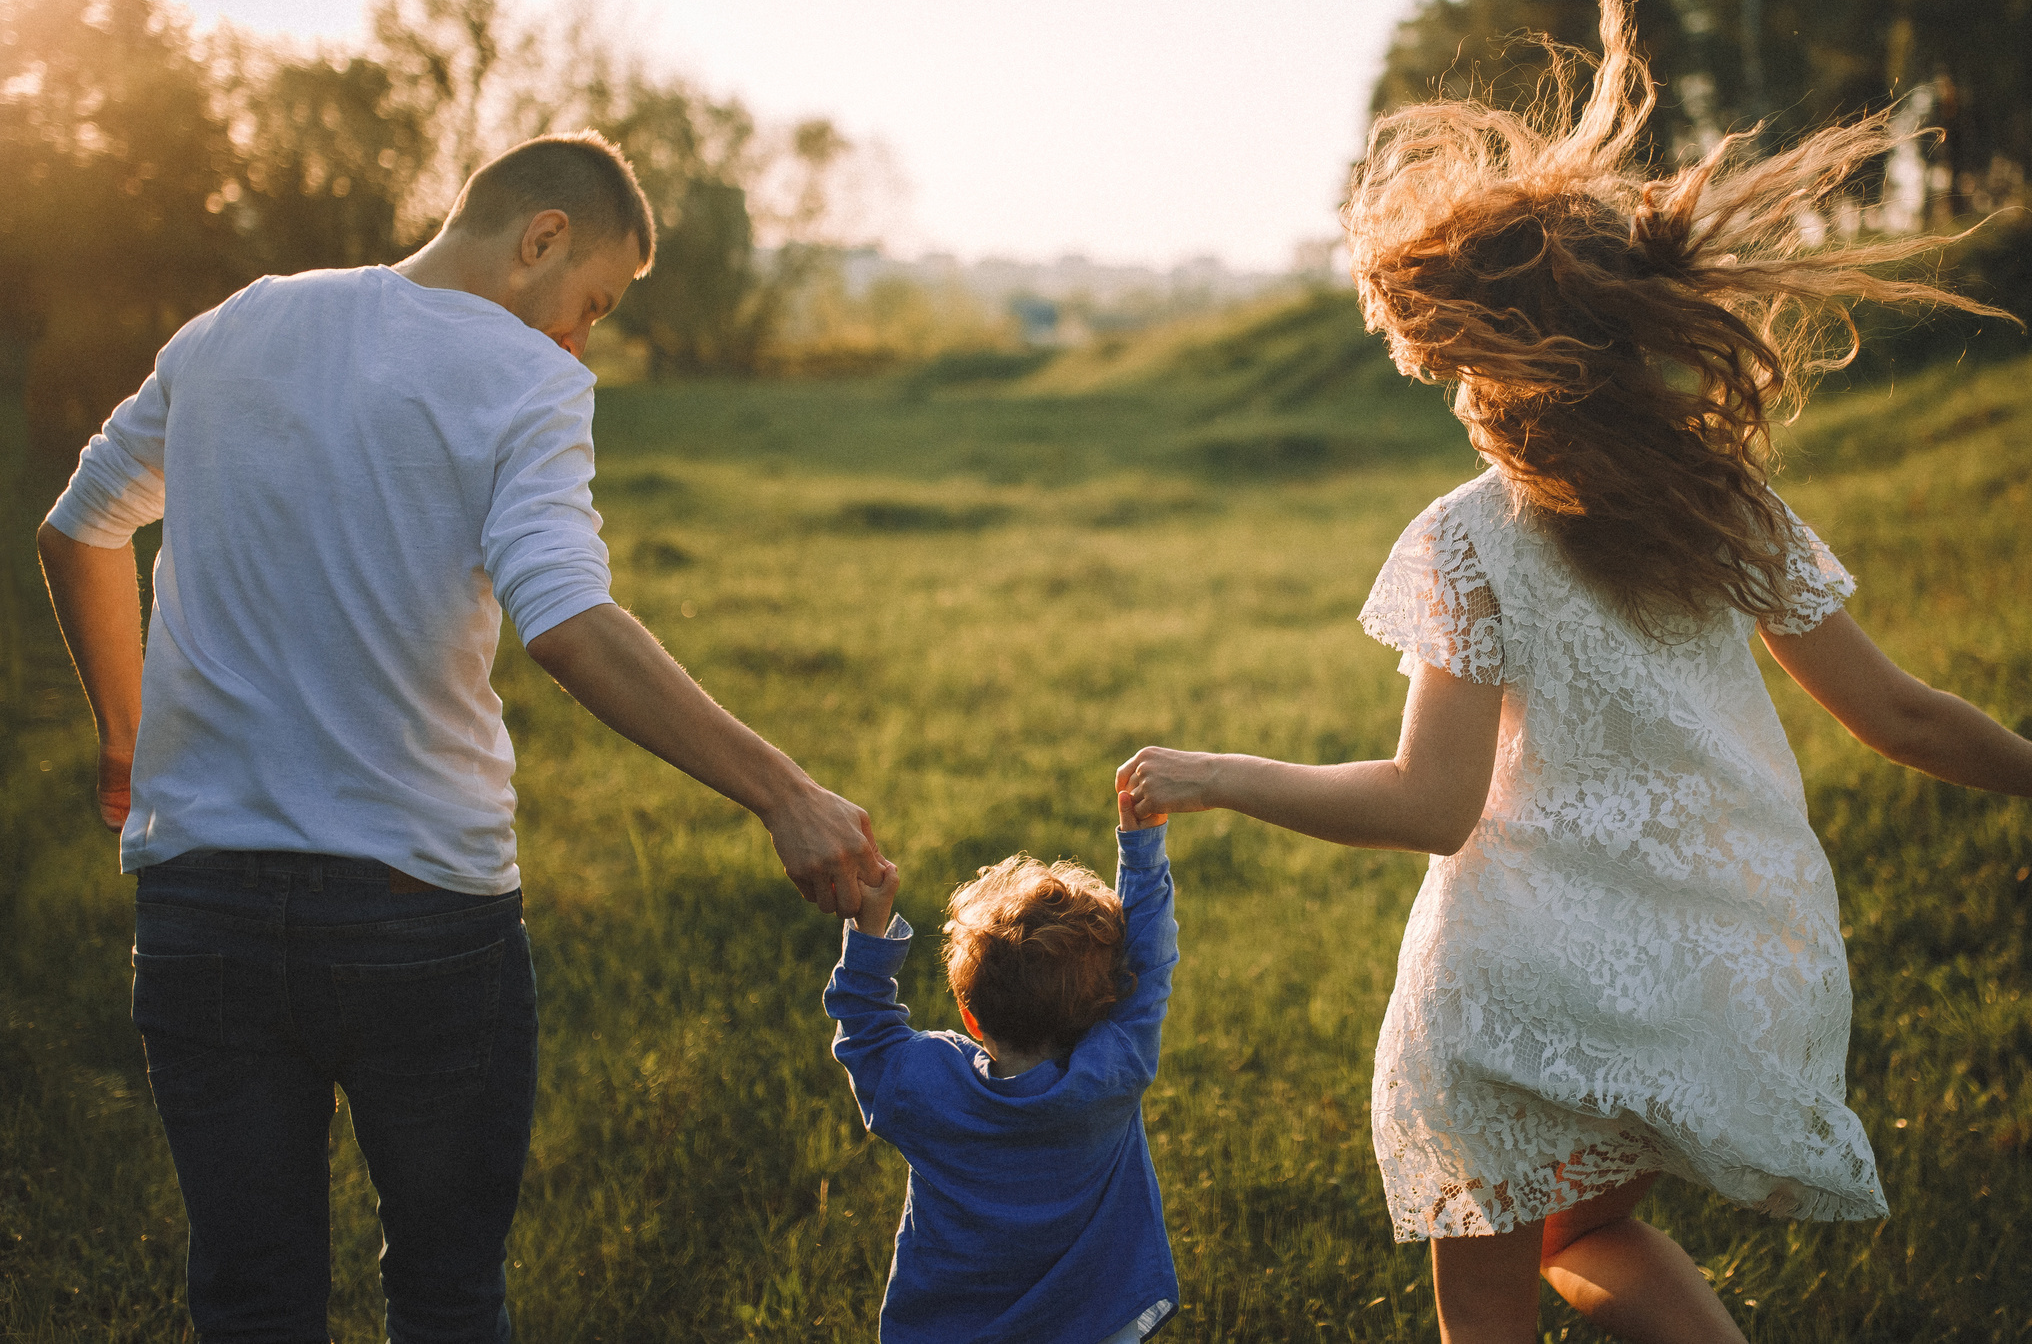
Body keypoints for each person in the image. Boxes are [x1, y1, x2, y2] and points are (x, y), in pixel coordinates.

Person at [1116, 0, 2032, 1344]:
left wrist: (1222, 773)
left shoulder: (1468, 537)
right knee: (1593, 1228)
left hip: (1508, 985)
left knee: (1499, 1272)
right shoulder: (1725, 509)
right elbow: (1898, 710)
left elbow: (1432, 803)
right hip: (1683, 965)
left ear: (1472, 357)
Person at [35, 131, 883, 1344]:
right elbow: (569, 623)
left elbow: (80, 529)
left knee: (248, 1296)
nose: (579, 338)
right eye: (591, 301)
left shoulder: (238, 323)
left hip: (198, 901)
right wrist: (784, 791)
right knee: (443, 1292)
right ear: (541, 236)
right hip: (419, 911)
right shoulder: (526, 380)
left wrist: (126, 736)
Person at [823, 781, 1180, 1344]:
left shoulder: (927, 1086)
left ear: (970, 1016)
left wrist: (871, 927)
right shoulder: (1112, 1073)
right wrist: (1142, 846)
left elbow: (865, 1035)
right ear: (1104, 1006)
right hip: (1093, 1324)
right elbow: (1150, 963)